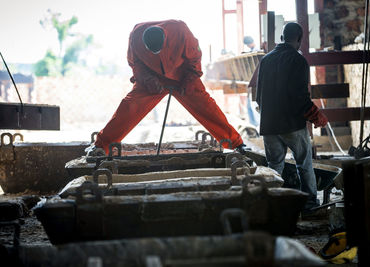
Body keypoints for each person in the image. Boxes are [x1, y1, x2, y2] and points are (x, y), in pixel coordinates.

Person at [86, 19, 245, 156]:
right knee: (129, 107)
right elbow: (136, 64)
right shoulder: (135, 35)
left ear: (165, 38)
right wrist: (148, 80)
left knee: (206, 107)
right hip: (151, 78)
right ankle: (100, 146)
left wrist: (189, 80)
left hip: (183, 76)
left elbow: (195, 58)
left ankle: (236, 143)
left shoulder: (181, 30)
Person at [255, 22, 328, 214]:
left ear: (281, 37)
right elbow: (300, 98)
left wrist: (269, 116)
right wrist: (316, 116)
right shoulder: (299, 61)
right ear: (300, 40)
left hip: (269, 125)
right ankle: (310, 205)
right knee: (304, 164)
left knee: (274, 168)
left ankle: (271, 207)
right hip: (292, 126)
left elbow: (258, 96)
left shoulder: (266, 60)